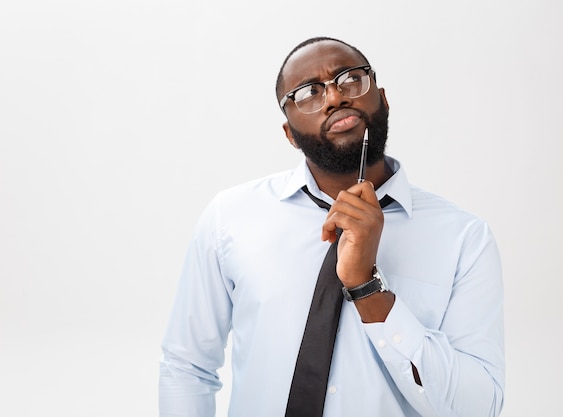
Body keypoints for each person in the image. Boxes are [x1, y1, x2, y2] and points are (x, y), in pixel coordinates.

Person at [159, 37, 505, 417]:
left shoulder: (464, 239)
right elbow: (187, 368)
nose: (336, 96)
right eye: (308, 92)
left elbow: (478, 407)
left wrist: (366, 287)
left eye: (350, 79)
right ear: (289, 133)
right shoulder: (229, 218)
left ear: (383, 100)